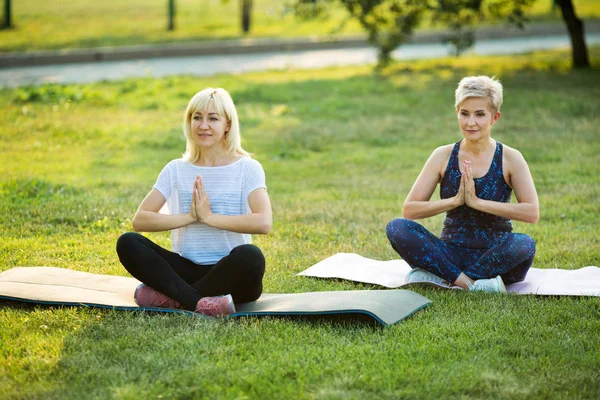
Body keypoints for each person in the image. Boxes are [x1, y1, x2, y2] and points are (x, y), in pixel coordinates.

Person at [117, 87, 272, 316]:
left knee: (251, 256)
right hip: (185, 269)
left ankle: (178, 299)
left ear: (227, 125)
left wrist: (210, 218)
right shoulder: (176, 169)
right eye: (196, 118)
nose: (203, 126)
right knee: (128, 243)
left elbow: (263, 222)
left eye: (213, 119)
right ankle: (201, 303)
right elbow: (140, 220)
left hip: (231, 273)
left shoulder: (247, 168)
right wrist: (190, 217)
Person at [386, 76, 539, 293]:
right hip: (450, 253)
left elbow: (531, 213)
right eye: (464, 113)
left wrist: (477, 202)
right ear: (457, 113)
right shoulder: (442, 155)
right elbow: (410, 209)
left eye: (479, 114)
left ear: (494, 117)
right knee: (397, 227)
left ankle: (444, 278)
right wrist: (455, 201)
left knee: (524, 244)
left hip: (496, 256)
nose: (470, 122)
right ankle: (471, 285)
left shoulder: (511, 158)